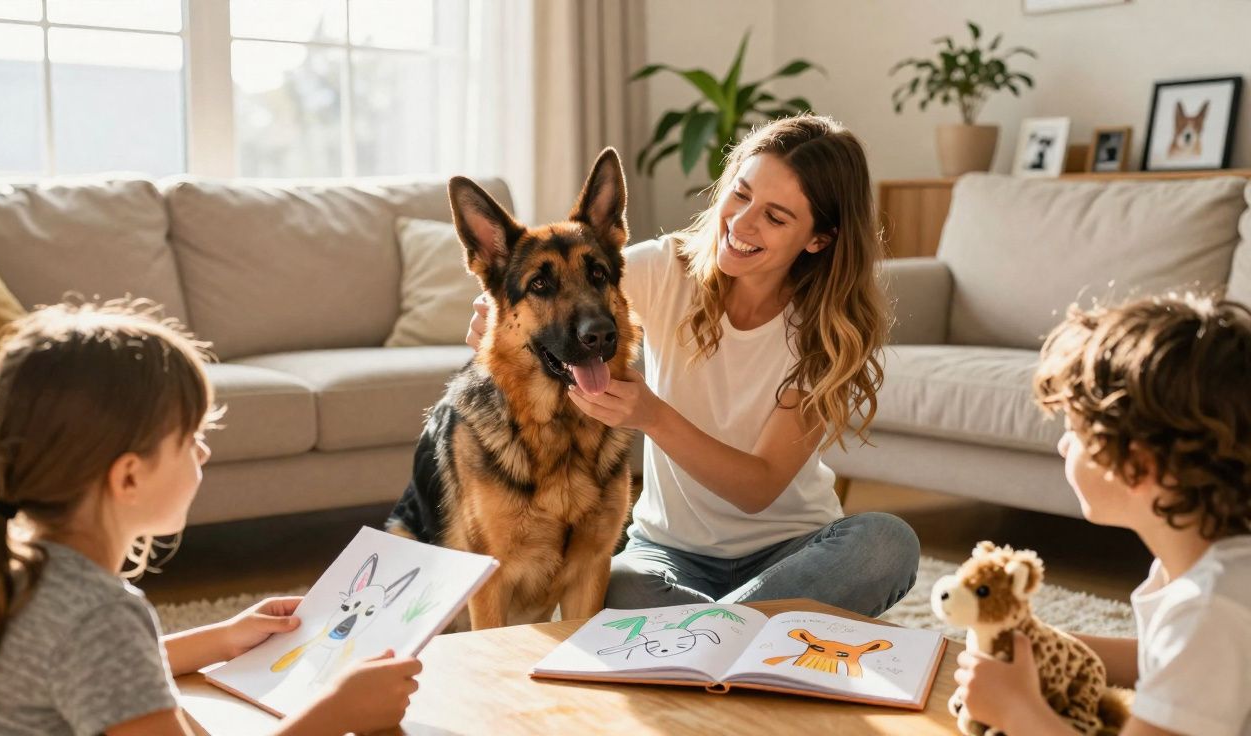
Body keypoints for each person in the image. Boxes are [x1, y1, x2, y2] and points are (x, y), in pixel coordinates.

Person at [468, 114, 919, 616]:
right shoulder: (667, 268)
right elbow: (554, 292)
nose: (742, 224)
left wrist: (651, 416)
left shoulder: (826, 332)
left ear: (818, 239)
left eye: (775, 218)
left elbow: (758, 488)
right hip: (669, 555)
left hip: (792, 552)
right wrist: (489, 316)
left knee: (887, 544)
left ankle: (704, 633)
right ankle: (746, 630)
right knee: (619, 585)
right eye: (741, 194)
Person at [0, 301, 420, 736]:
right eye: (192, 439)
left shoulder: (14, 572)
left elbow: (95, 666)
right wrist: (336, 713)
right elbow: (101, 650)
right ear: (128, 476)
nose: (204, 453)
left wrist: (221, 638)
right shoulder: (100, 617)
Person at [954, 294, 1251, 736]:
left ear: (1138, 466)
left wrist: (1017, 709)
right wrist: (1045, 646)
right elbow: (1164, 662)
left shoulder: (1209, 609)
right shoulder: (1207, 568)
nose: (1063, 446)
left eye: (1074, 432)